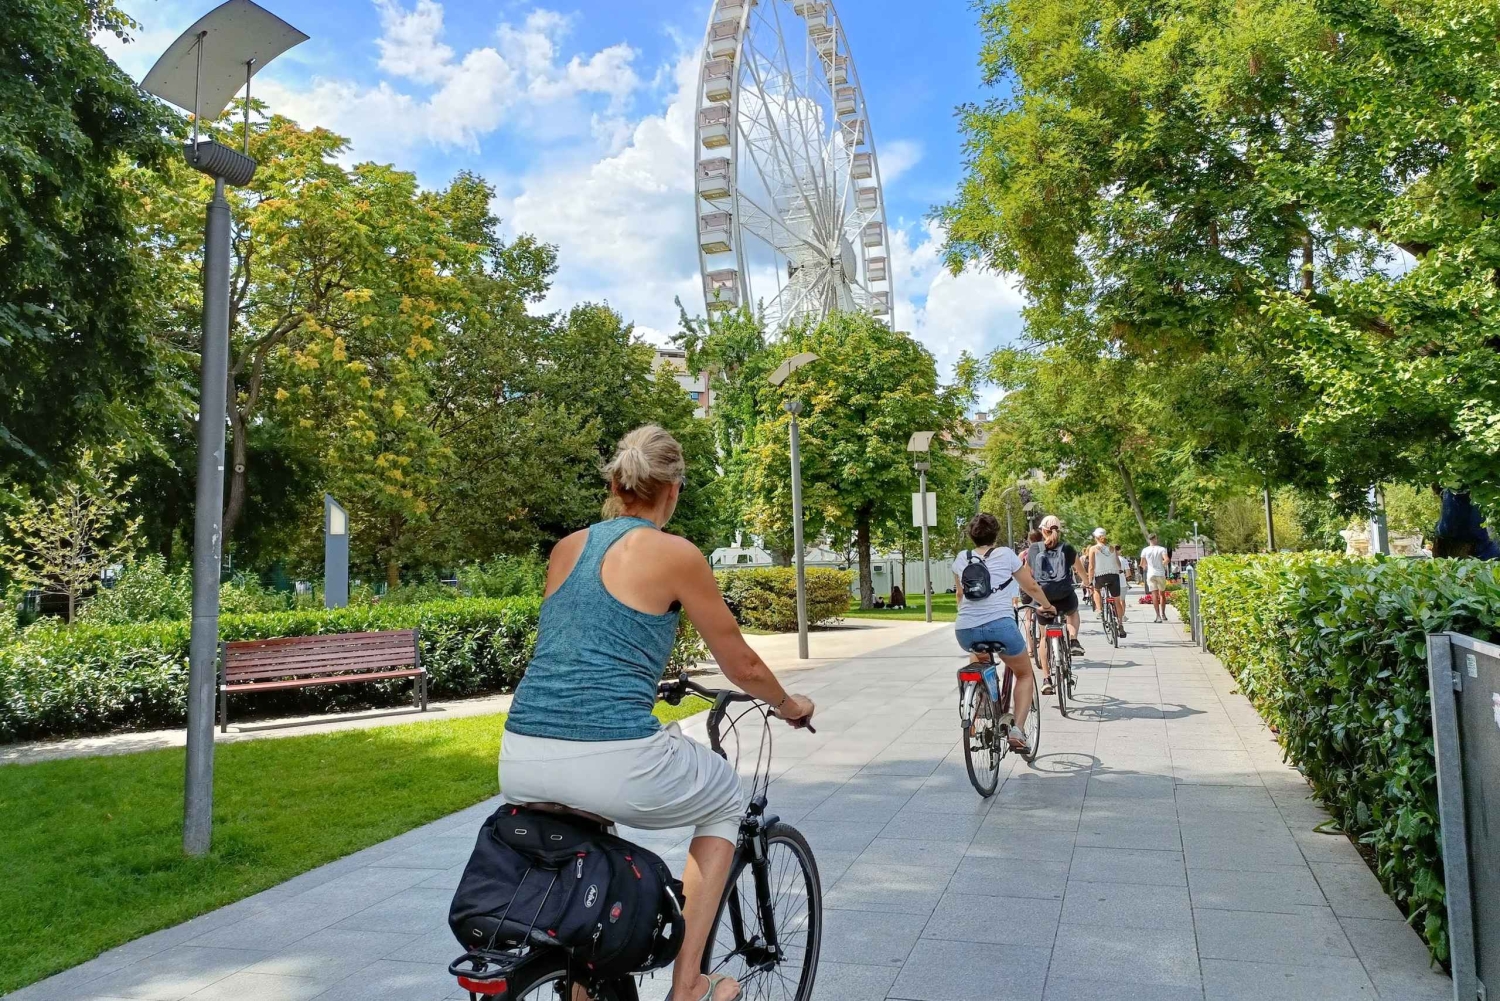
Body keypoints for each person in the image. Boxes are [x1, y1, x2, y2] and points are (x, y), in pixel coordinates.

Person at [500, 425, 815, 1001]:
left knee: (589, 849)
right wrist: (790, 704)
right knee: (725, 797)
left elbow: (584, 640)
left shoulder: (567, 547)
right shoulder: (676, 554)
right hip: (610, 754)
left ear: (619, 485)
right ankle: (689, 982)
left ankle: (583, 986)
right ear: (671, 490)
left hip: (521, 750)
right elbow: (741, 664)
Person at [952, 512, 1056, 755]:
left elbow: (960, 595)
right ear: (996, 534)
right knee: (1024, 673)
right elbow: (1030, 586)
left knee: (979, 656)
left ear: (971, 535)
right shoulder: (1006, 555)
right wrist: (1047, 606)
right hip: (1000, 625)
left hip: (965, 629)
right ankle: (1017, 730)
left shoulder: (961, 558)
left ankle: (977, 706)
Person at [1026, 515, 1086, 694]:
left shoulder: (1034, 549)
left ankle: (1046, 679)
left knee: (1044, 638)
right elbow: (1080, 571)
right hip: (1064, 595)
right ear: (1058, 530)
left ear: (1042, 531)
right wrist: (1087, 582)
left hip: (1043, 598)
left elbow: (1027, 575)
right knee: (1072, 612)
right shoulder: (1067, 548)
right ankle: (1074, 640)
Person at [1086, 527, 1127, 637]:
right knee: (1117, 601)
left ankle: (1099, 610)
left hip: (1100, 576)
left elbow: (1091, 566)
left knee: (1096, 590)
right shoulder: (1112, 548)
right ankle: (1120, 624)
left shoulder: (1093, 549)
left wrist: (1090, 580)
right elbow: (1117, 562)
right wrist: (1120, 570)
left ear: (1096, 537)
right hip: (1114, 576)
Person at [1140, 533, 1170, 623]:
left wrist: (1145, 567)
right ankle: (1163, 614)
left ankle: (1157, 616)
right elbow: (1167, 559)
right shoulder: (1161, 549)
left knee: (1154, 594)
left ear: (1149, 540)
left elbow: (1142, 564)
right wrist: (1163, 564)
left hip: (1150, 574)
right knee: (1162, 594)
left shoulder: (1145, 550)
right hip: (1160, 573)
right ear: (1156, 539)